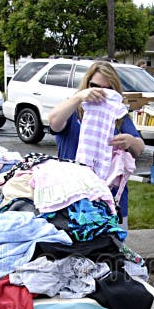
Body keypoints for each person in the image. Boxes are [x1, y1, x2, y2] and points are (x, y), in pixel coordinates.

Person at [47, 60, 144, 229]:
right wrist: (79, 97)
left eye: (108, 89)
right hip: (73, 199)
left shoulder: (118, 115)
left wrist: (130, 141)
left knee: (112, 251)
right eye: (95, 86)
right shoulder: (73, 111)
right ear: (86, 84)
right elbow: (54, 122)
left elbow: (139, 148)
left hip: (111, 201)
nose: (100, 92)